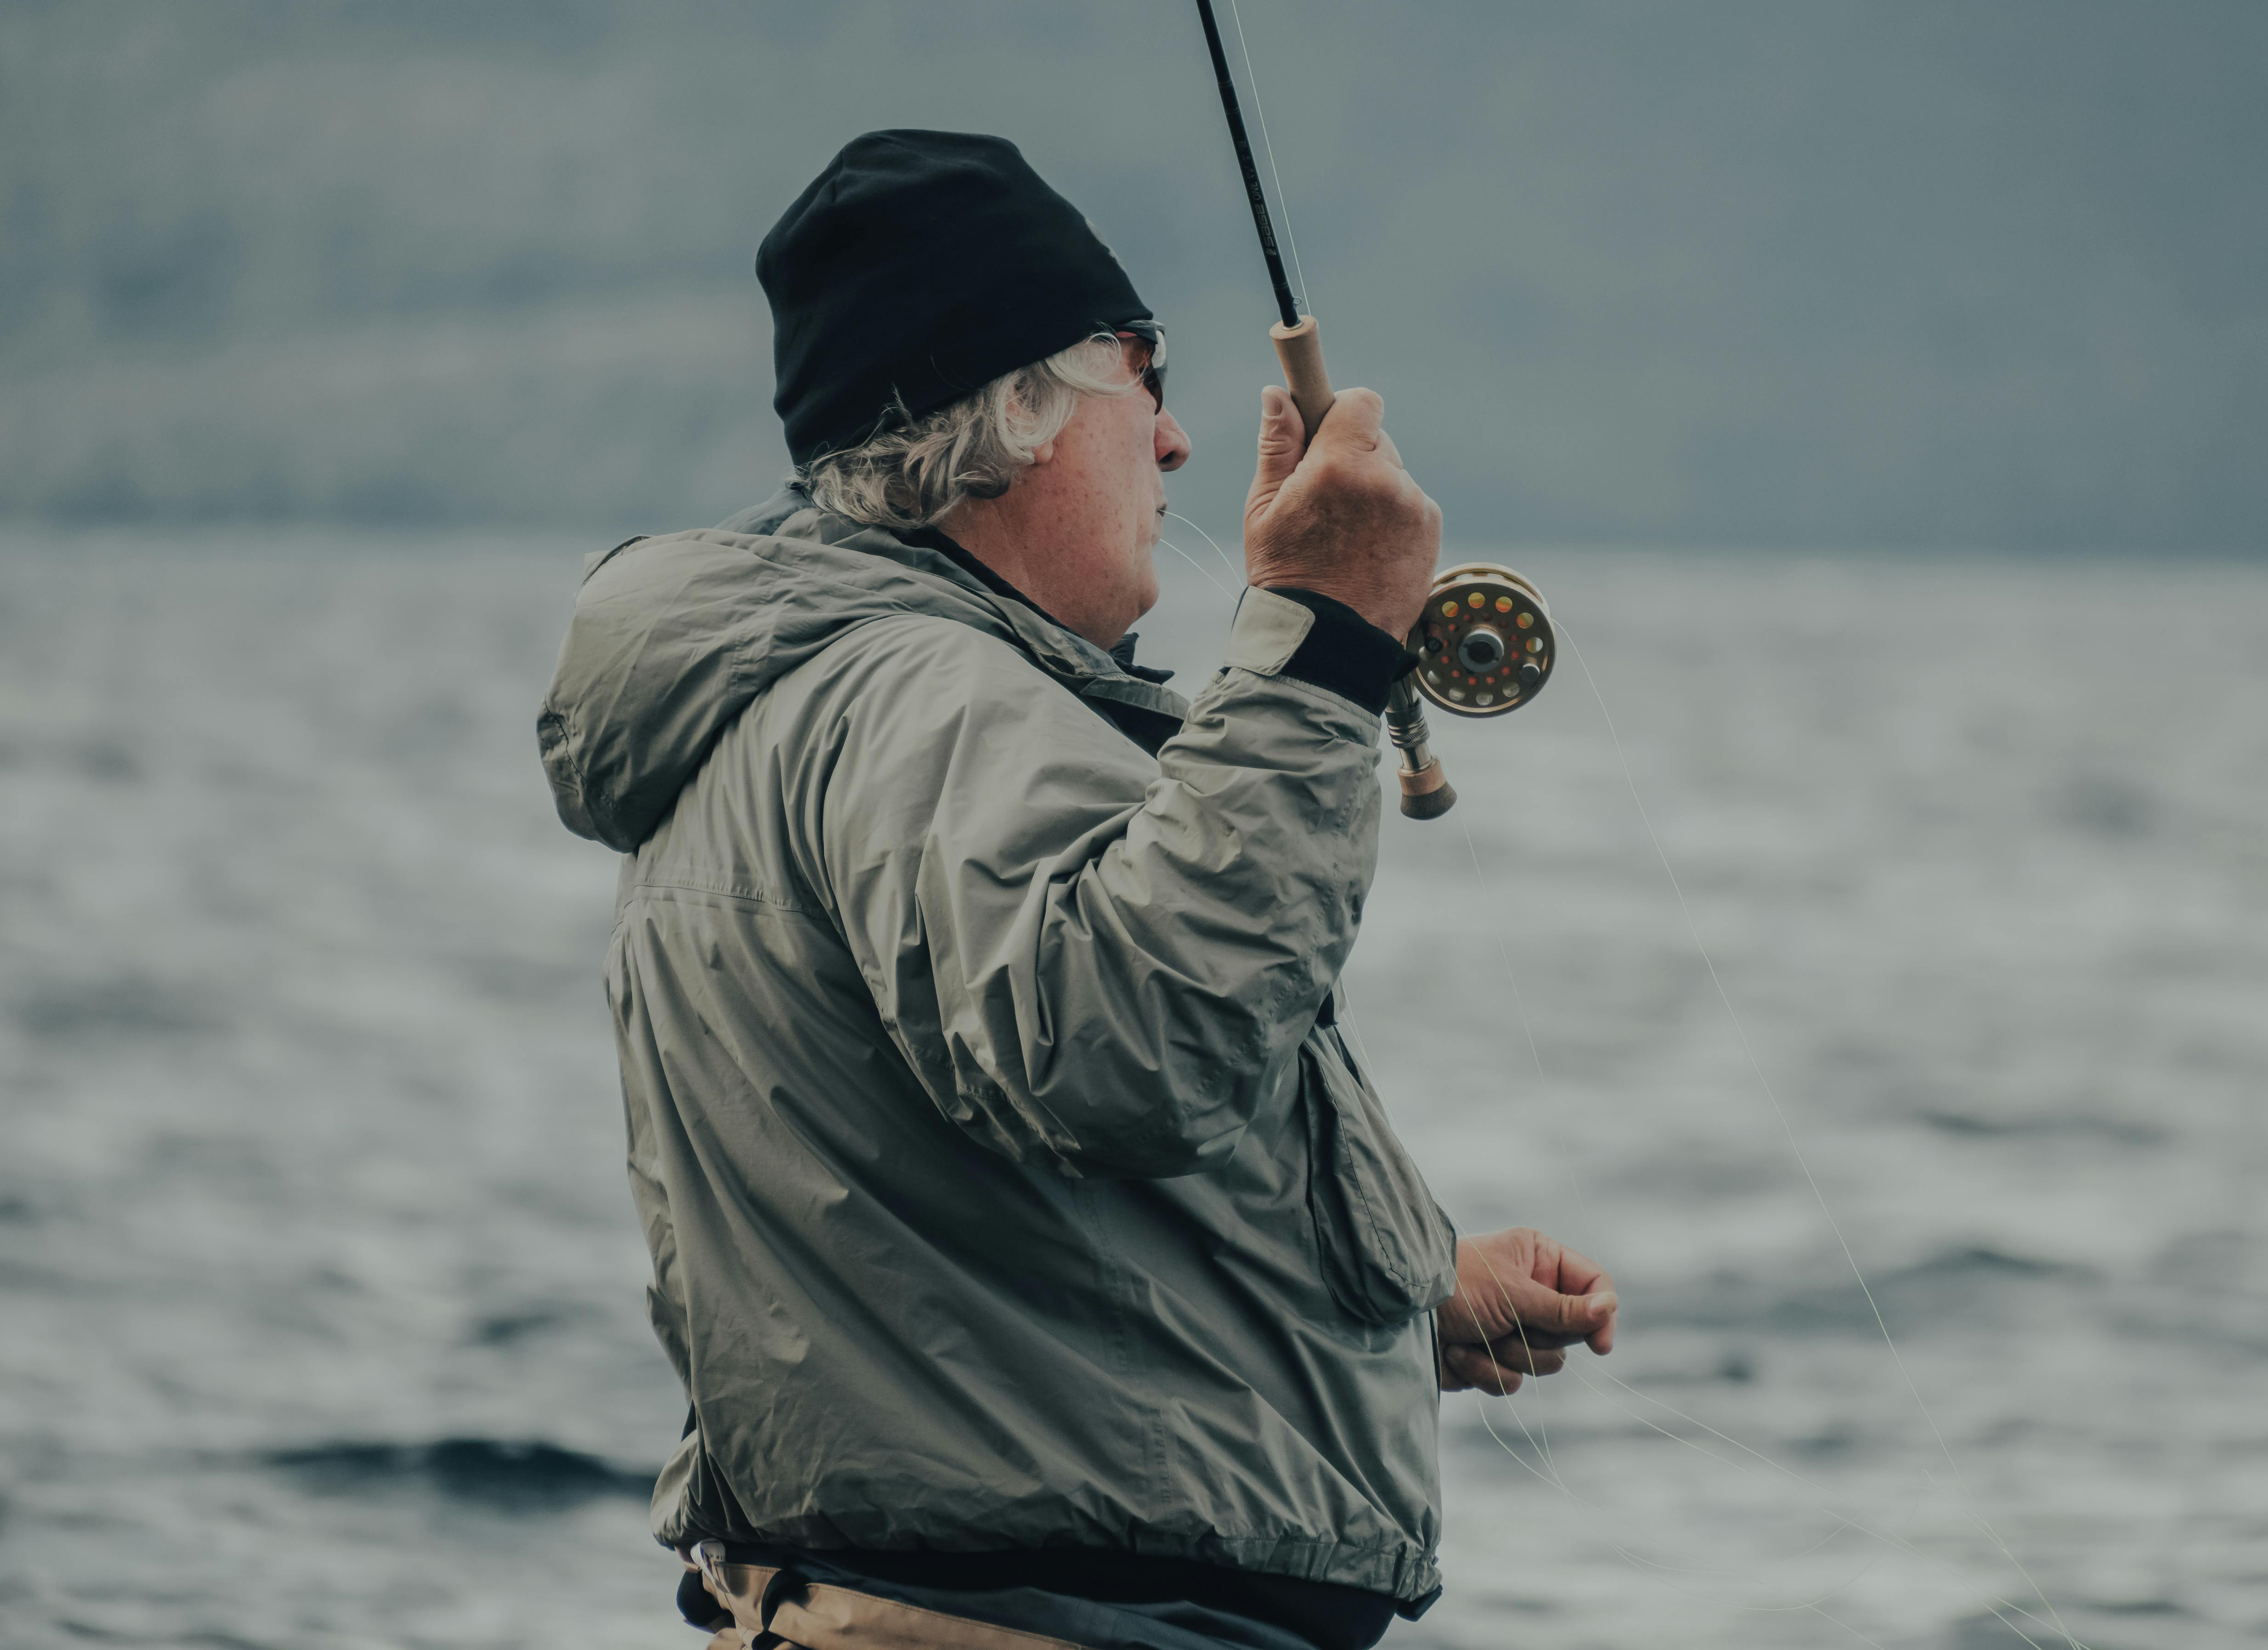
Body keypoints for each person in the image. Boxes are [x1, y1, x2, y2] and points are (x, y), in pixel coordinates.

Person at [537, 130, 1617, 1650]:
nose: (1172, 443)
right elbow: (1118, 1052)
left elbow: (975, 1204)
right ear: (1020, 416)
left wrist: (1392, 1284)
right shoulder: (927, 697)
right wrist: (1316, 659)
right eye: (1144, 373)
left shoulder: (838, 695)